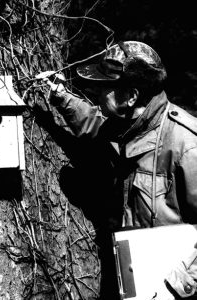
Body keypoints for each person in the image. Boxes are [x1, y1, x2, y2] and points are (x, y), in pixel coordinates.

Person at [36, 41, 197, 299]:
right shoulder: (128, 126)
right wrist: (61, 96)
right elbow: (95, 125)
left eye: (105, 88)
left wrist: (182, 283)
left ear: (131, 96)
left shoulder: (185, 144)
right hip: (133, 279)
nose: (97, 93)